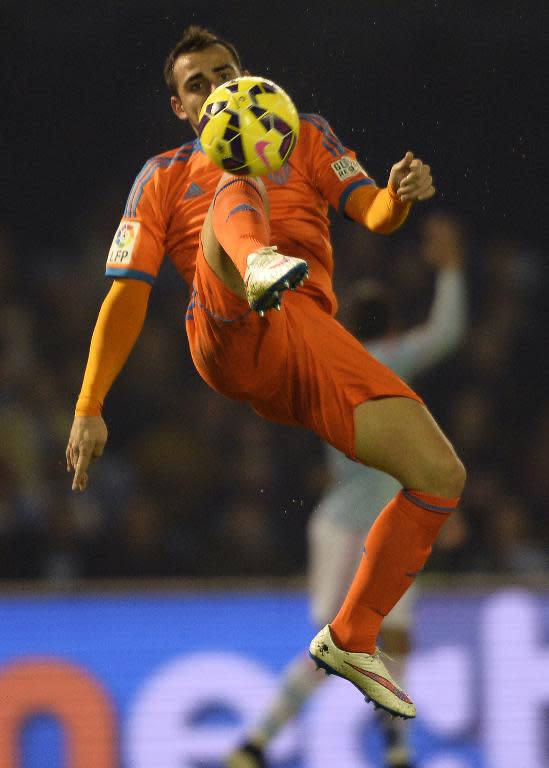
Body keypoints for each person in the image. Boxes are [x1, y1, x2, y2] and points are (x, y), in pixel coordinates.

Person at [66, 25, 466, 721]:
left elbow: (370, 211)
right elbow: (127, 293)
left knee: (440, 475)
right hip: (225, 330)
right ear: (179, 107)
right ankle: (254, 262)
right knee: (236, 166)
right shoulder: (162, 176)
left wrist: (398, 196)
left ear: (246, 72)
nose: (217, 86)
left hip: (307, 339)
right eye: (198, 83)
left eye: (226, 71)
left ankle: (351, 638)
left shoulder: (305, 134)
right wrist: (88, 404)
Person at [226, 213, 468, 768]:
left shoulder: (318, 367)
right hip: (387, 524)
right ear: (387, 333)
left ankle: (256, 743)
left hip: (336, 524)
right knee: (384, 642)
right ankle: (396, 747)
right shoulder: (383, 363)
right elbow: (447, 334)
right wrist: (451, 270)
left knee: (338, 644)